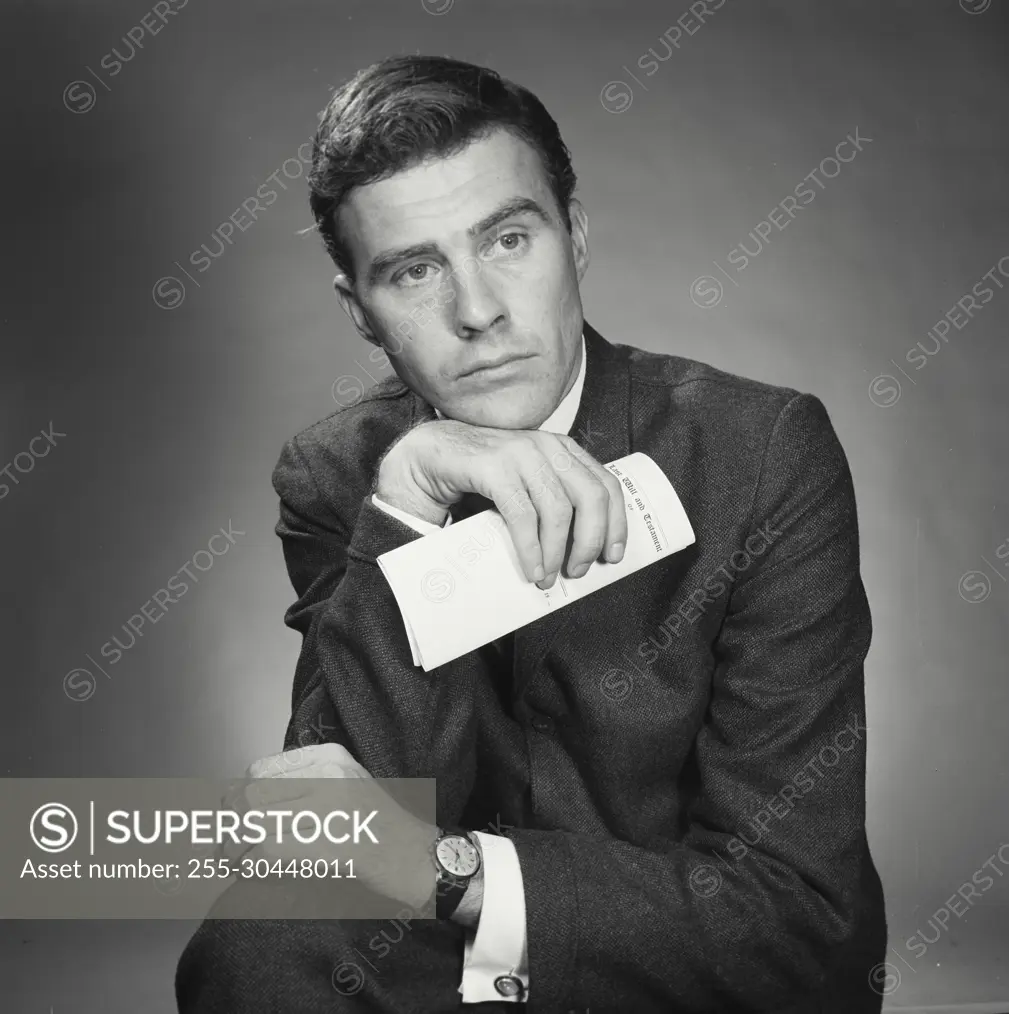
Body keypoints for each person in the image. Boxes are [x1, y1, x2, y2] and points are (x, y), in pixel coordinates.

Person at [176, 54, 887, 1013]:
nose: (477, 312)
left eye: (508, 240)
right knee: (253, 947)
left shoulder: (760, 450)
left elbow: (803, 918)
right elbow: (332, 840)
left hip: (677, 965)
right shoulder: (340, 473)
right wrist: (408, 504)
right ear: (361, 313)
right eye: (415, 270)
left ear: (575, 238)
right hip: (435, 978)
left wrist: (452, 872)